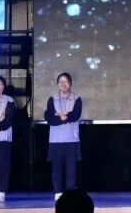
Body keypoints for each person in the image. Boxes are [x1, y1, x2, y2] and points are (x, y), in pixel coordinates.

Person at [45, 72, 83, 200]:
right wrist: (63, 118)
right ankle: (58, 192)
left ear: (70, 84)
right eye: (61, 82)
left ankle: (70, 193)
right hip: (55, 139)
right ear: (57, 84)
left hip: (72, 139)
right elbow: (50, 118)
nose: (63, 84)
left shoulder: (77, 98)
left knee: (71, 168)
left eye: (66, 81)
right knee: (56, 167)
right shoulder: (52, 99)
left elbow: (76, 115)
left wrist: (61, 117)